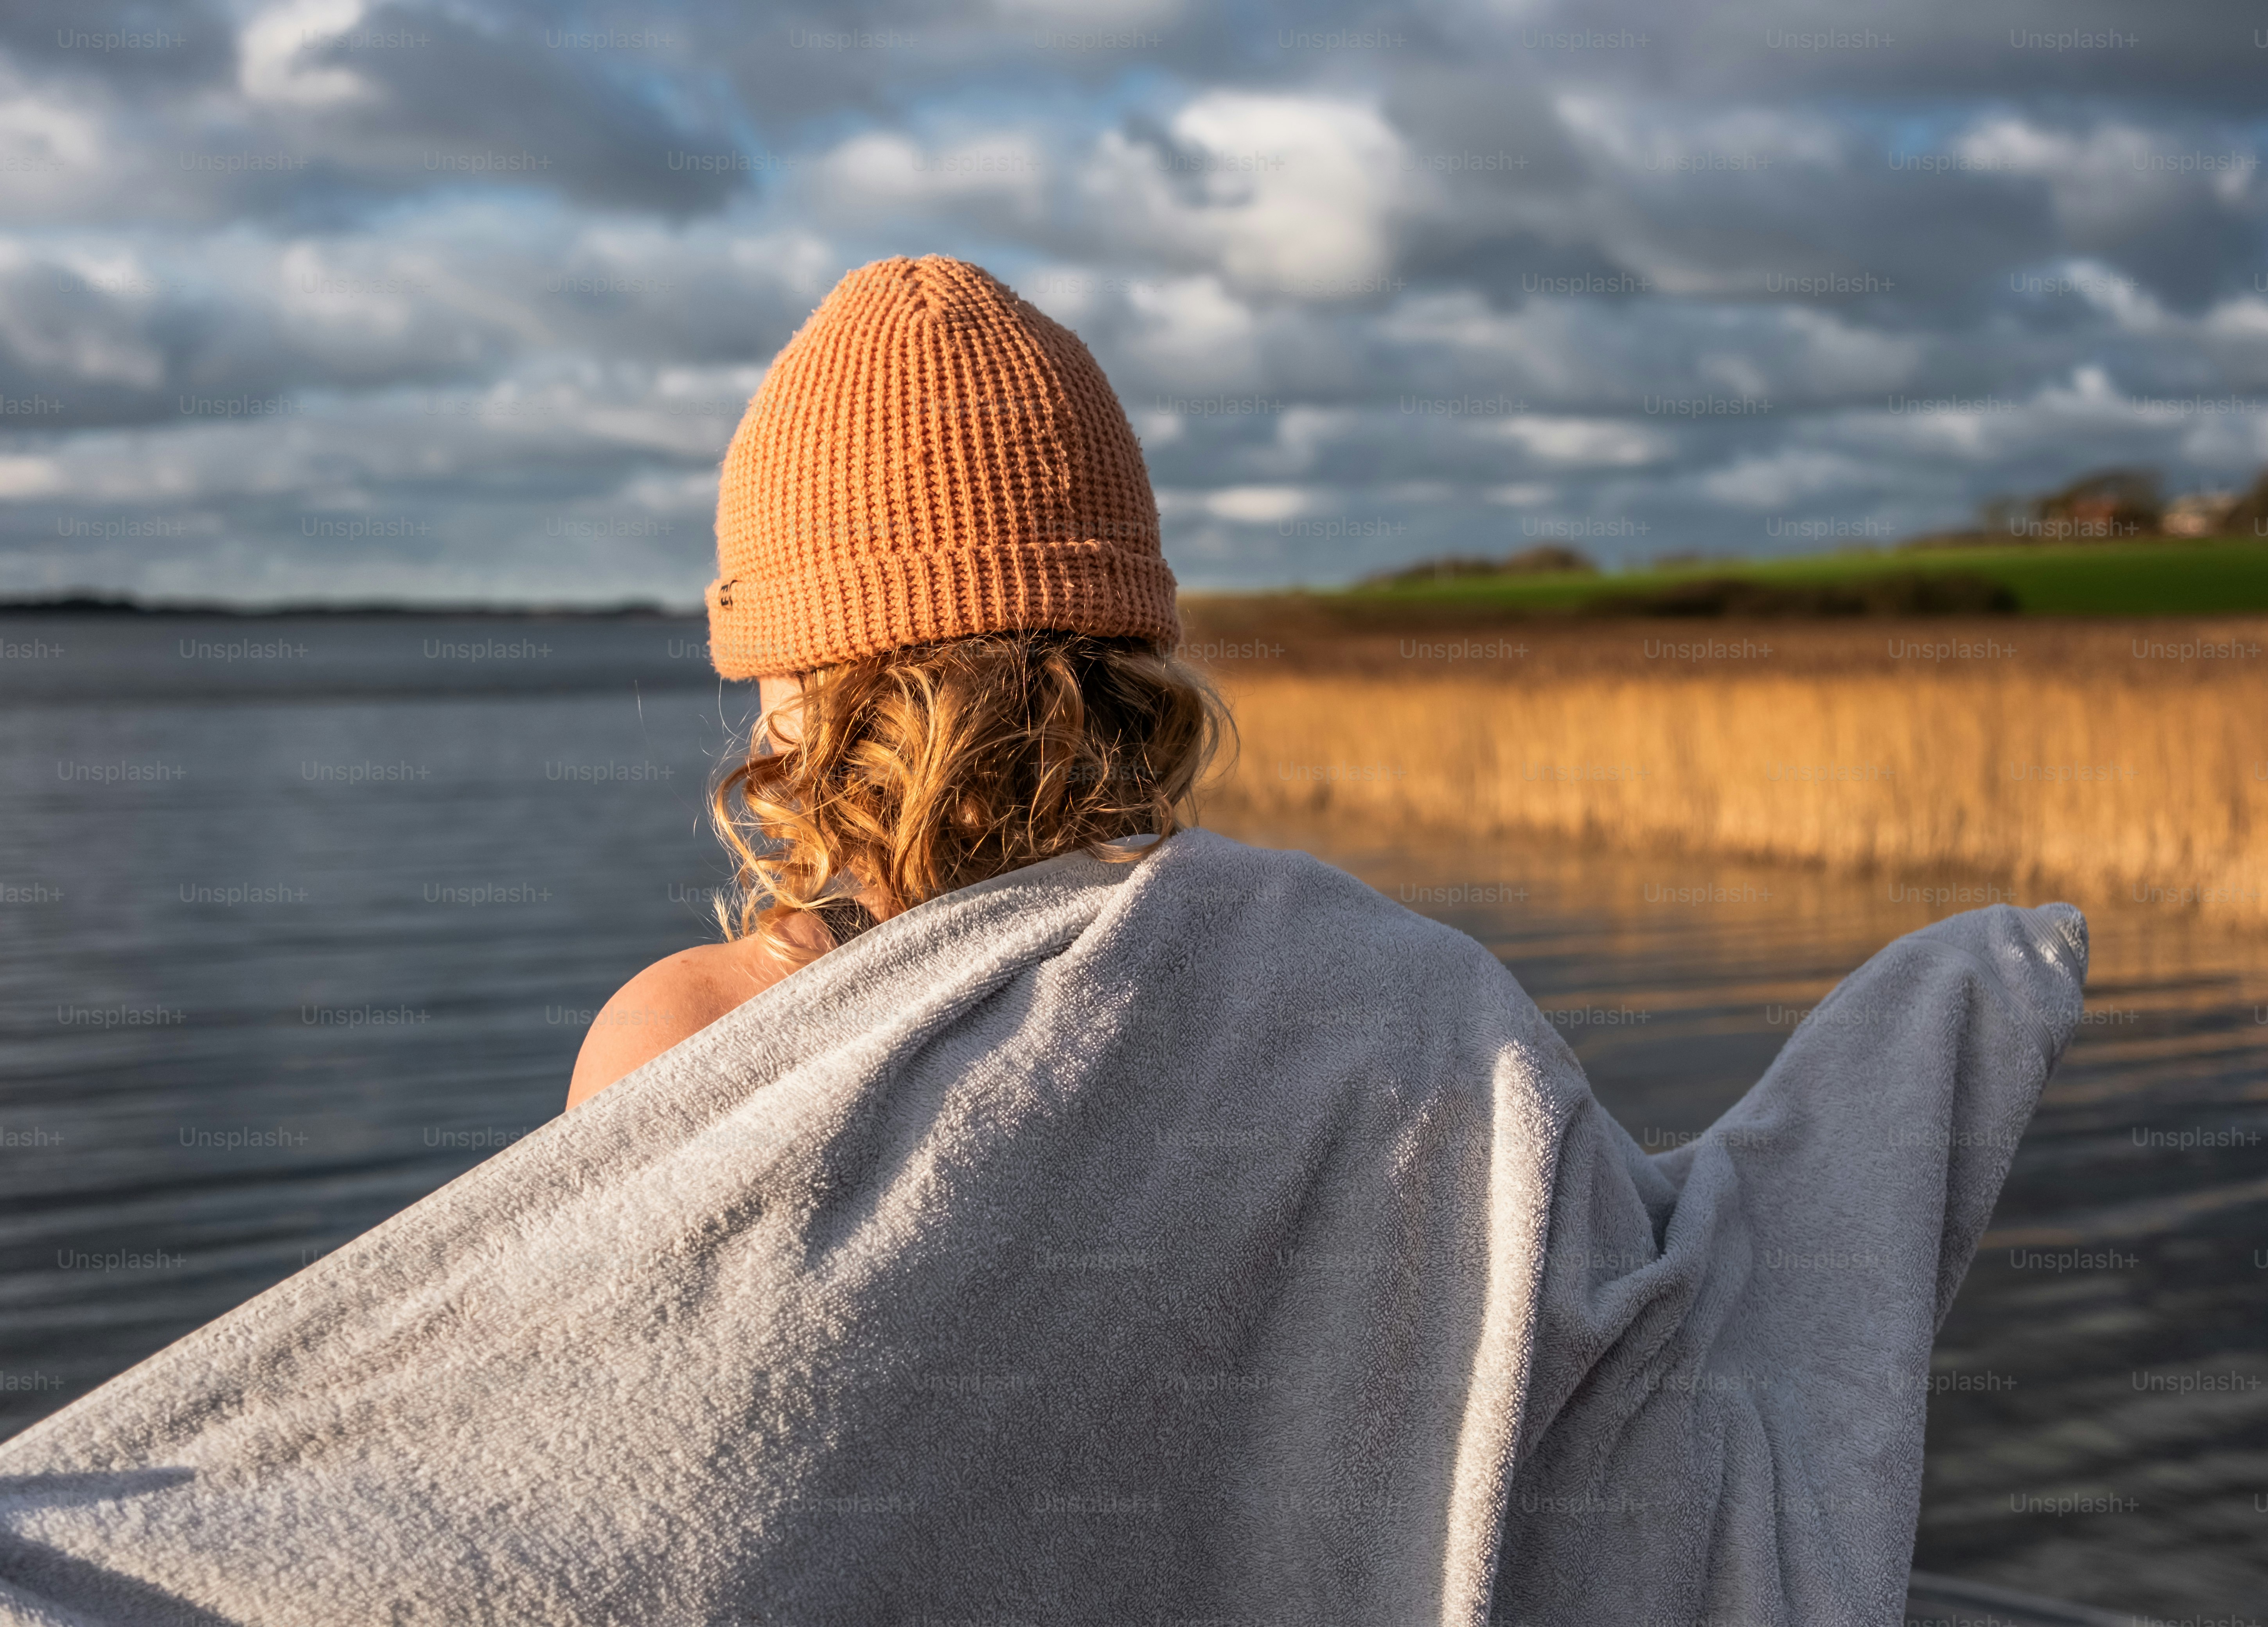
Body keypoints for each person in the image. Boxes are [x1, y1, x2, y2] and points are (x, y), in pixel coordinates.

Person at [0, 255, 2089, 1626]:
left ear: (795, 679)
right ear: (1127, 649)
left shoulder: (700, 1033)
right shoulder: (1391, 1001)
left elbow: (590, 1508)